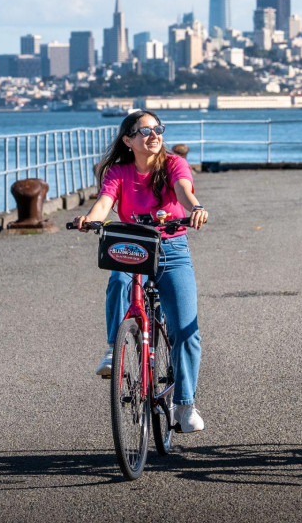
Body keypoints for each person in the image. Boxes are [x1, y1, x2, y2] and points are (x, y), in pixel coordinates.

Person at [74, 110, 209, 433]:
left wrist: (196, 209)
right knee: (118, 279)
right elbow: (105, 202)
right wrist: (90, 218)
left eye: (158, 129)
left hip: (172, 249)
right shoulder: (118, 171)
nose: (154, 135)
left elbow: (184, 192)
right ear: (128, 140)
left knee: (186, 332)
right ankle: (113, 350)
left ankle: (184, 404)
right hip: (134, 247)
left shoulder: (174, 163)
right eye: (144, 131)